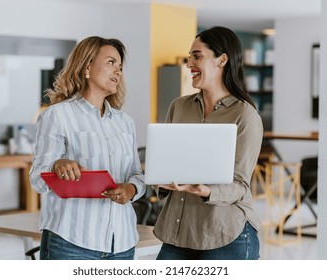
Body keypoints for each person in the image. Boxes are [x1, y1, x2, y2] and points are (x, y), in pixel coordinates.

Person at [29, 36, 146, 260]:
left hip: (121, 243)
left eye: (120, 67)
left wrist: (131, 190)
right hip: (71, 241)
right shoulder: (57, 115)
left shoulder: (125, 122)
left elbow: (136, 175)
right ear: (87, 66)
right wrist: (56, 165)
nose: (118, 71)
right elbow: (37, 177)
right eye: (111, 62)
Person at [153, 26, 263, 260]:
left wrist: (206, 191)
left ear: (222, 60)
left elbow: (241, 185)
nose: (189, 63)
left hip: (225, 235)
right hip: (177, 234)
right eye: (190, 56)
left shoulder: (245, 116)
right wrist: (159, 178)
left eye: (197, 56)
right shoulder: (178, 106)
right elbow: (168, 164)